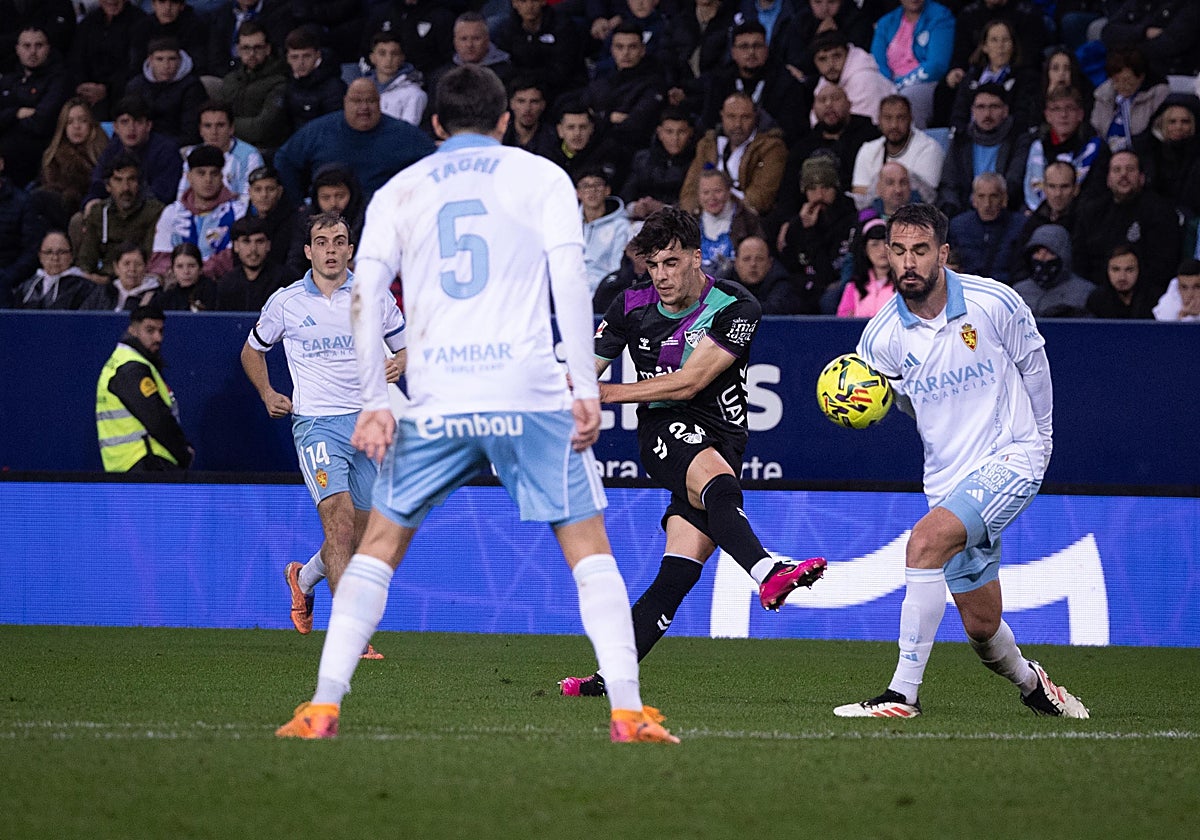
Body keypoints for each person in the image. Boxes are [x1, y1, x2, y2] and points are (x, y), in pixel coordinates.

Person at [275, 65, 680, 744]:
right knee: (588, 549)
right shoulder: (542, 177)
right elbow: (571, 286)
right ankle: (628, 712)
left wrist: (376, 398)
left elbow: (365, 294)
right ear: (502, 121)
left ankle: (322, 706)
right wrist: (586, 388)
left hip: (439, 399)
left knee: (377, 547)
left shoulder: (401, 188)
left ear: (435, 125)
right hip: (529, 393)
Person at [557, 206, 826, 699]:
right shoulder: (629, 306)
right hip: (664, 429)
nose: (661, 275)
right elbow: (585, 369)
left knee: (676, 574)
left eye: (671, 263)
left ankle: (606, 678)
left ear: (697, 258)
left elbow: (692, 381)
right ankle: (768, 572)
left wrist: (610, 394)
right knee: (718, 484)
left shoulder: (736, 306)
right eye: (653, 264)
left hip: (724, 436)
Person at [836, 202, 1089, 720]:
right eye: (898, 251)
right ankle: (1033, 684)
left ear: (943, 254)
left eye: (920, 251)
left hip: (1013, 455)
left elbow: (1033, 366)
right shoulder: (879, 338)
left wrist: (1040, 439)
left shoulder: (994, 302)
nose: (907, 262)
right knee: (980, 625)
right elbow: (899, 404)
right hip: (948, 479)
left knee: (924, 542)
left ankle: (902, 694)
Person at [241, 211, 406, 660]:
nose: (331, 249)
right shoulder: (287, 302)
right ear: (309, 251)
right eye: (322, 241)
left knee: (361, 535)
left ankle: (304, 577)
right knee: (337, 521)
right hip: (316, 424)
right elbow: (253, 350)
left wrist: (403, 362)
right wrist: (267, 392)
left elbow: (406, 343)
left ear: (351, 249)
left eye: (340, 240)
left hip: (368, 423)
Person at [273, 77, 436, 206]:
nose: (364, 108)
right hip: (329, 219)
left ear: (379, 102)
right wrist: (298, 203)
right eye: (357, 101)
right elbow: (284, 159)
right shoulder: (318, 130)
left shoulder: (404, 134)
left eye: (370, 101)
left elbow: (434, 161)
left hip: (384, 216)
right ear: (345, 102)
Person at [95, 304, 193, 472]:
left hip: (126, 464)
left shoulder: (123, 362)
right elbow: (156, 418)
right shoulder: (131, 368)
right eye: (150, 330)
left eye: (161, 331)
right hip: (146, 462)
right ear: (133, 330)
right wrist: (183, 452)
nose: (158, 338)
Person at [1071, 148, 1181, 292]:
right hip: (1097, 293)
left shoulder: (1160, 211)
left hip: (1147, 295)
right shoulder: (1092, 212)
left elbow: (1165, 264)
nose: (1123, 175)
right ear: (1108, 179)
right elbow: (1080, 260)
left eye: (1130, 169)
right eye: (1117, 170)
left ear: (1141, 177)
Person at [679, 92, 788, 216]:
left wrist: (720, 212)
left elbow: (760, 198)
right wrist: (695, 215)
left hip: (745, 222)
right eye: (731, 117)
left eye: (745, 117)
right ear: (722, 116)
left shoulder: (771, 147)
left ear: (755, 117)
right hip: (704, 218)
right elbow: (690, 190)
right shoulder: (707, 145)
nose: (737, 124)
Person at [935, 83, 1034, 219]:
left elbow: (1014, 183)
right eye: (981, 107)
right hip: (964, 213)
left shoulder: (1018, 139)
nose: (987, 114)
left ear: (1005, 110)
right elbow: (949, 183)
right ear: (973, 111)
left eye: (994, 107)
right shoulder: (961, 139)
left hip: (1006, 214)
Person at [777, 153, 858, 313]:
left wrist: (810, 232)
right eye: (812, 189)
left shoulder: (850, 221)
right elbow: (790, 269)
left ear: (836, 188)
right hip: (805, 290)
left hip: (834, 290)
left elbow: (828, 274)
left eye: (826, 188)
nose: (819, 195)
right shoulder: (795, 225)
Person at [76, 153, 165, 284]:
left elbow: (150, 261)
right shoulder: (98, 212)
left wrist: (109, 280)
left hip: (139, 281)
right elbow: (86, 259)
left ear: (139, 184)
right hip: (100, 283)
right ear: (108, 186)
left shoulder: (155, 212)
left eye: (131, 180)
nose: (125, 188)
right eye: (118, 180)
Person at [0, 25, 70, 188]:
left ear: (48, 49)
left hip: (36, 161)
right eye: (26, 46)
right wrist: (16, 113)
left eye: (39, 46)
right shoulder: (7, 81)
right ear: (17, 49)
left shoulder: (59, 80)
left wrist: (6, 119)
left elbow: (41, 122)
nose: (32, 52)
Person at [869, 0, 955, 129]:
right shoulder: (886, 22)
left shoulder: (941, 17)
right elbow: (877, 61)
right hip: (890, 82)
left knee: (906, 99)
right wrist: (887, 86)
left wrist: (899, 85)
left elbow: (937, 65)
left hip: (926, 82)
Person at [84, 95, 182, 207]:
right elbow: (97, 184)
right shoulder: (112, 149)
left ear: (148, 126)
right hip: (116, 209)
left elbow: (162, 195)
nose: (131, 128)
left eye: (138, 122)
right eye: (125, 122)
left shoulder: (167, 151)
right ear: (116, 127)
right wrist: (91, 201)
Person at [851, 94, 944, 209]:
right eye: (888, 118)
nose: (894, 125)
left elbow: (923, 196)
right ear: (879, 120)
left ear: (910, 119)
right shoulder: (868, 149)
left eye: (901, 118)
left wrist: (879, 190)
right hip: (874, 218)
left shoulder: (929, 149)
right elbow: (859, 196)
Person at [1021, 85, 1103, 213]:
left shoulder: (1096, 148)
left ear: (1080, 114)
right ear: (1047, 115)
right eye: (1056, 109)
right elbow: (1032, 190)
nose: (1063, 115)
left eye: (1069, 108)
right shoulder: (1037, 147)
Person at [32, 98, 110, 231]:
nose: (76, 127)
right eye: (70, 122)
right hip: (61, 213)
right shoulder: (53, 157)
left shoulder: (106, 153)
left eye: (82, 121)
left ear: (91, 124)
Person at [217, 21, 289, 151]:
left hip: (265, 149)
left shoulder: (280, 82)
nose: (251, 54)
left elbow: (261, 129)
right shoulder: (231, 80)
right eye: (246, 48)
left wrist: (225, 126)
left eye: (257, 48)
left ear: (267, 49)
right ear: (238, 50)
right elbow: (216, 117)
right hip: (227, 146)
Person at [69, 0, 145, 121]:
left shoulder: (140, 22)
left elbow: (135, 66)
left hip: (122, 93)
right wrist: (82, 86)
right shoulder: (89, 22)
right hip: (87, 92)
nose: (111, 1)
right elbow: (76, 59)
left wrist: (106, 89)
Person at [124, 36, 206, 147]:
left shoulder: (192, 87)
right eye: (159, 59)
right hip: (143, 143)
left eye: (172, 59)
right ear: (150, 60)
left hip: (179, 145)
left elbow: (191, 132)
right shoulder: (136, 86)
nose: (166, 65)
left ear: (180, 60)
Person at [947, 172, 1025, 285]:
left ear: (1004, 198)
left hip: (1006, 290)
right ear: (973, 199)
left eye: (993, 196)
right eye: (981, 196)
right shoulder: (958, 226)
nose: (987, 204)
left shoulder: (1020, 226)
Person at [620, 106, 696, 222]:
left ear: (690, 133)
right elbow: (626, 195)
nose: (675, 138)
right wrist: (635, 207)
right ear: (660, 133)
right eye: (669, 132)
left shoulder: (696, 162)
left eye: (681, 132)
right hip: (639, 223)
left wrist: (663, 208)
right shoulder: (642, 159)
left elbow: (694, 203)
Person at [177, 101, 265, 200]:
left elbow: (249, 200)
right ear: (200, 130)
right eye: (207, 126)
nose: (214, 132)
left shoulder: (250, 156)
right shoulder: (192, 154)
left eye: (220, 125)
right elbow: (182, 196)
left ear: (231, 128)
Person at [810, 30, 896, 128]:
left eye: (836, 56)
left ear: (848, 54)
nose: (830, 65)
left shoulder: (865, 79)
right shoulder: (824, 82)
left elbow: (865, 127)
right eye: (822, 59)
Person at [1090, 47, 1169, 153]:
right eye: (1116, 80)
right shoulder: (1103, 94)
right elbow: (1096, 129)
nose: (1121, 85)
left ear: (1140, 77)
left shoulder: (1157, 94)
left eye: (1126, 80)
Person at [693, 167, 766, 280]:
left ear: (728, 192)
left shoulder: (747, 219)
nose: (712, 198)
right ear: (698, 196)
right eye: (706, 192)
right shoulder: (691, 222)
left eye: (717, 191)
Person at [1012, 223, 1095, 318]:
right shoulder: (1018, 292)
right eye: (1037, 252)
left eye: (1049, 252)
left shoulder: (1085, 292)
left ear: (1063, 255)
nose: (1042, 258)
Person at [213, 214, 289, 311]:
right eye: (246, 241)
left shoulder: (286, 281)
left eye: (259, 241)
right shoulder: (226, 284)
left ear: (268, 245)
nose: (253, 249)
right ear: (236, 246)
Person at [0, 146, 44, 307]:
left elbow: (32, 250)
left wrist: (7, 276)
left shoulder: (23, 202)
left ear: (1, 164)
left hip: (7, 276)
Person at [282, 25, 346, 134]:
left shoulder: (334, 88)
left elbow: (334, 129)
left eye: (306, 56)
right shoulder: (286, 81)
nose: (300, 63)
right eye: (295, 57)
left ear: (317, 55)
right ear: (287, 58)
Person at [577, 168, 631, 296]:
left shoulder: (620, 226)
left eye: (597, 185)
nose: (592, 190)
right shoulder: (569, 223)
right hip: (570, 286)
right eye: (586, 186)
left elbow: (616, 268)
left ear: (607, 190)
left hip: (602, 292)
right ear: (577, 193)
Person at [359, 28, 426, 127]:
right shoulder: (361, 90)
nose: (388, 59)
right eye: (382, 53)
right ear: (372, 58)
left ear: (402, 58)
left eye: (394, 54)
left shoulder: (414, 94)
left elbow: (407, 132)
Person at [11, 230, 91, 310]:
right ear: (40, 256)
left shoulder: (85, 289)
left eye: (61, 252)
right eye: (48, 252)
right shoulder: (27, 288)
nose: (55, 258)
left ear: (71, 256)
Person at [836, 216, 896, 317]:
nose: (882, 250)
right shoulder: (853, 287)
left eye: (886, 244)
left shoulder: (904, 285)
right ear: (865, 249)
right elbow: (843, 324)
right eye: (875, 244)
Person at [730, 233, 803, 314]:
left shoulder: (781, 284)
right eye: (746, 259)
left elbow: (773, 310)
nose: (753, 264)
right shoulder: (724, 283)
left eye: (759, 259)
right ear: (736, 263)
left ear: (770, 263)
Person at [80, 239, 162, 311]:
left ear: (145, 267)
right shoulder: (103, 293)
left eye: (138, 264)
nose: (132, 269)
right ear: (116, 268)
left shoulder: (157, 297)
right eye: (126, 264)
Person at [1086, 243, 1156, 318]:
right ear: (1107, 271)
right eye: (1115, 270)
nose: (1122, 277)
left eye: (1129, 270)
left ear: (1139, 270)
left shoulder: (1156, 300)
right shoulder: (1096, 301)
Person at [500, 75, 557, 157]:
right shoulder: (499, 137)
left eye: (534, 102)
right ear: (512, 103)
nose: (527, 108)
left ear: (543, 105)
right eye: (521, 101)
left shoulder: (554, 140)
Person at [152, 241, 216, 311]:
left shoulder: (212, 292)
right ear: (173, 270)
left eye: (191, 266)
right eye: (180, 266)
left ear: (200, 268)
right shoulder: (168, 297)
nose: (186, 272)